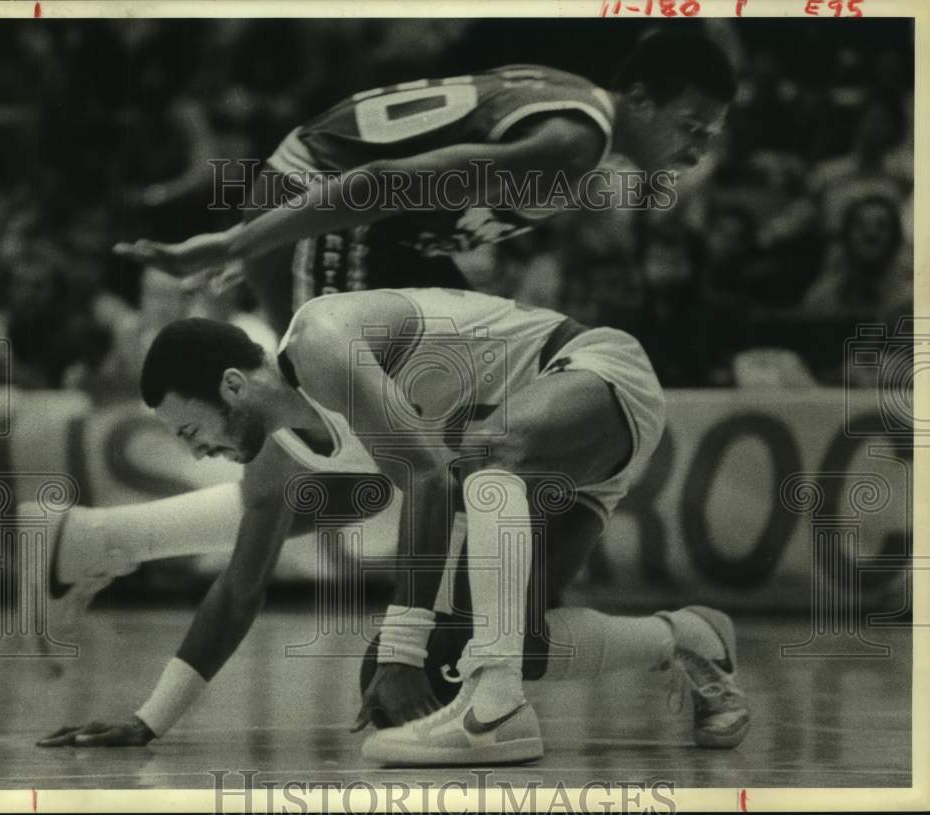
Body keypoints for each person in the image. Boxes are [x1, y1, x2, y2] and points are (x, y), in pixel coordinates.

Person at [37, 288, 750, 765]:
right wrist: (149, 719)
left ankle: (497, 712)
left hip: (591, 376)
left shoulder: (319, 339)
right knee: (502, 643)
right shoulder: (274, 463)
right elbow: (237, 591)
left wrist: (404, 651)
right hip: (536, 461)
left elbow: (430, 478)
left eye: (192, 430)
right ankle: (690, 637)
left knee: (475, 465)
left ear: (232, 385)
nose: (196, 451)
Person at [112, 30, 735, 336]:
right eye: (692, 126)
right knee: (379, 436)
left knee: (464, 394)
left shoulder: (577, 112)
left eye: (711, 134)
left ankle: (101, 542)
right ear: (642, 100)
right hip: (330, 204)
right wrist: (237, 243)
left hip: (353, 220)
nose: (699, 147)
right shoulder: (572, 144)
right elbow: (381, 182)